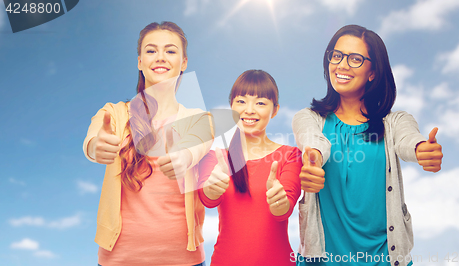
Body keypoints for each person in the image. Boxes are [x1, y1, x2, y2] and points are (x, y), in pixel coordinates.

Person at [292, 25, 443, 266]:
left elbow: (408, 140)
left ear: (372, 72)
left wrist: (421, 150)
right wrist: (313, 157)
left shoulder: (395, 122)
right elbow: (312, 140)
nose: (341, 65)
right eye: (337, 55)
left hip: (383, 259)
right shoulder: (310, 118)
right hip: (322, 260)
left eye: (355, 59)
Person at [83, 21, 213, 266]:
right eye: (151, 51)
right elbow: (93, 137)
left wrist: (184, 157)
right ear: (140, 62)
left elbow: (198, 145)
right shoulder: (115, 113)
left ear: (184, 63)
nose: (160, 57)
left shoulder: (198, 118)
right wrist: (95, 146)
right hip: (118, 259)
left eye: (171, 51)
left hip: (184, 259)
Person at [198, 70, 302, 265]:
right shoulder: (216, 157)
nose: (249, 110)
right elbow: (207, 200)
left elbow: (284, 209)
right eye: (241, 101)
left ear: (276, 109)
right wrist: (211, 189)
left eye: (260, 103)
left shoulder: (290, 155)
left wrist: (279, 202)